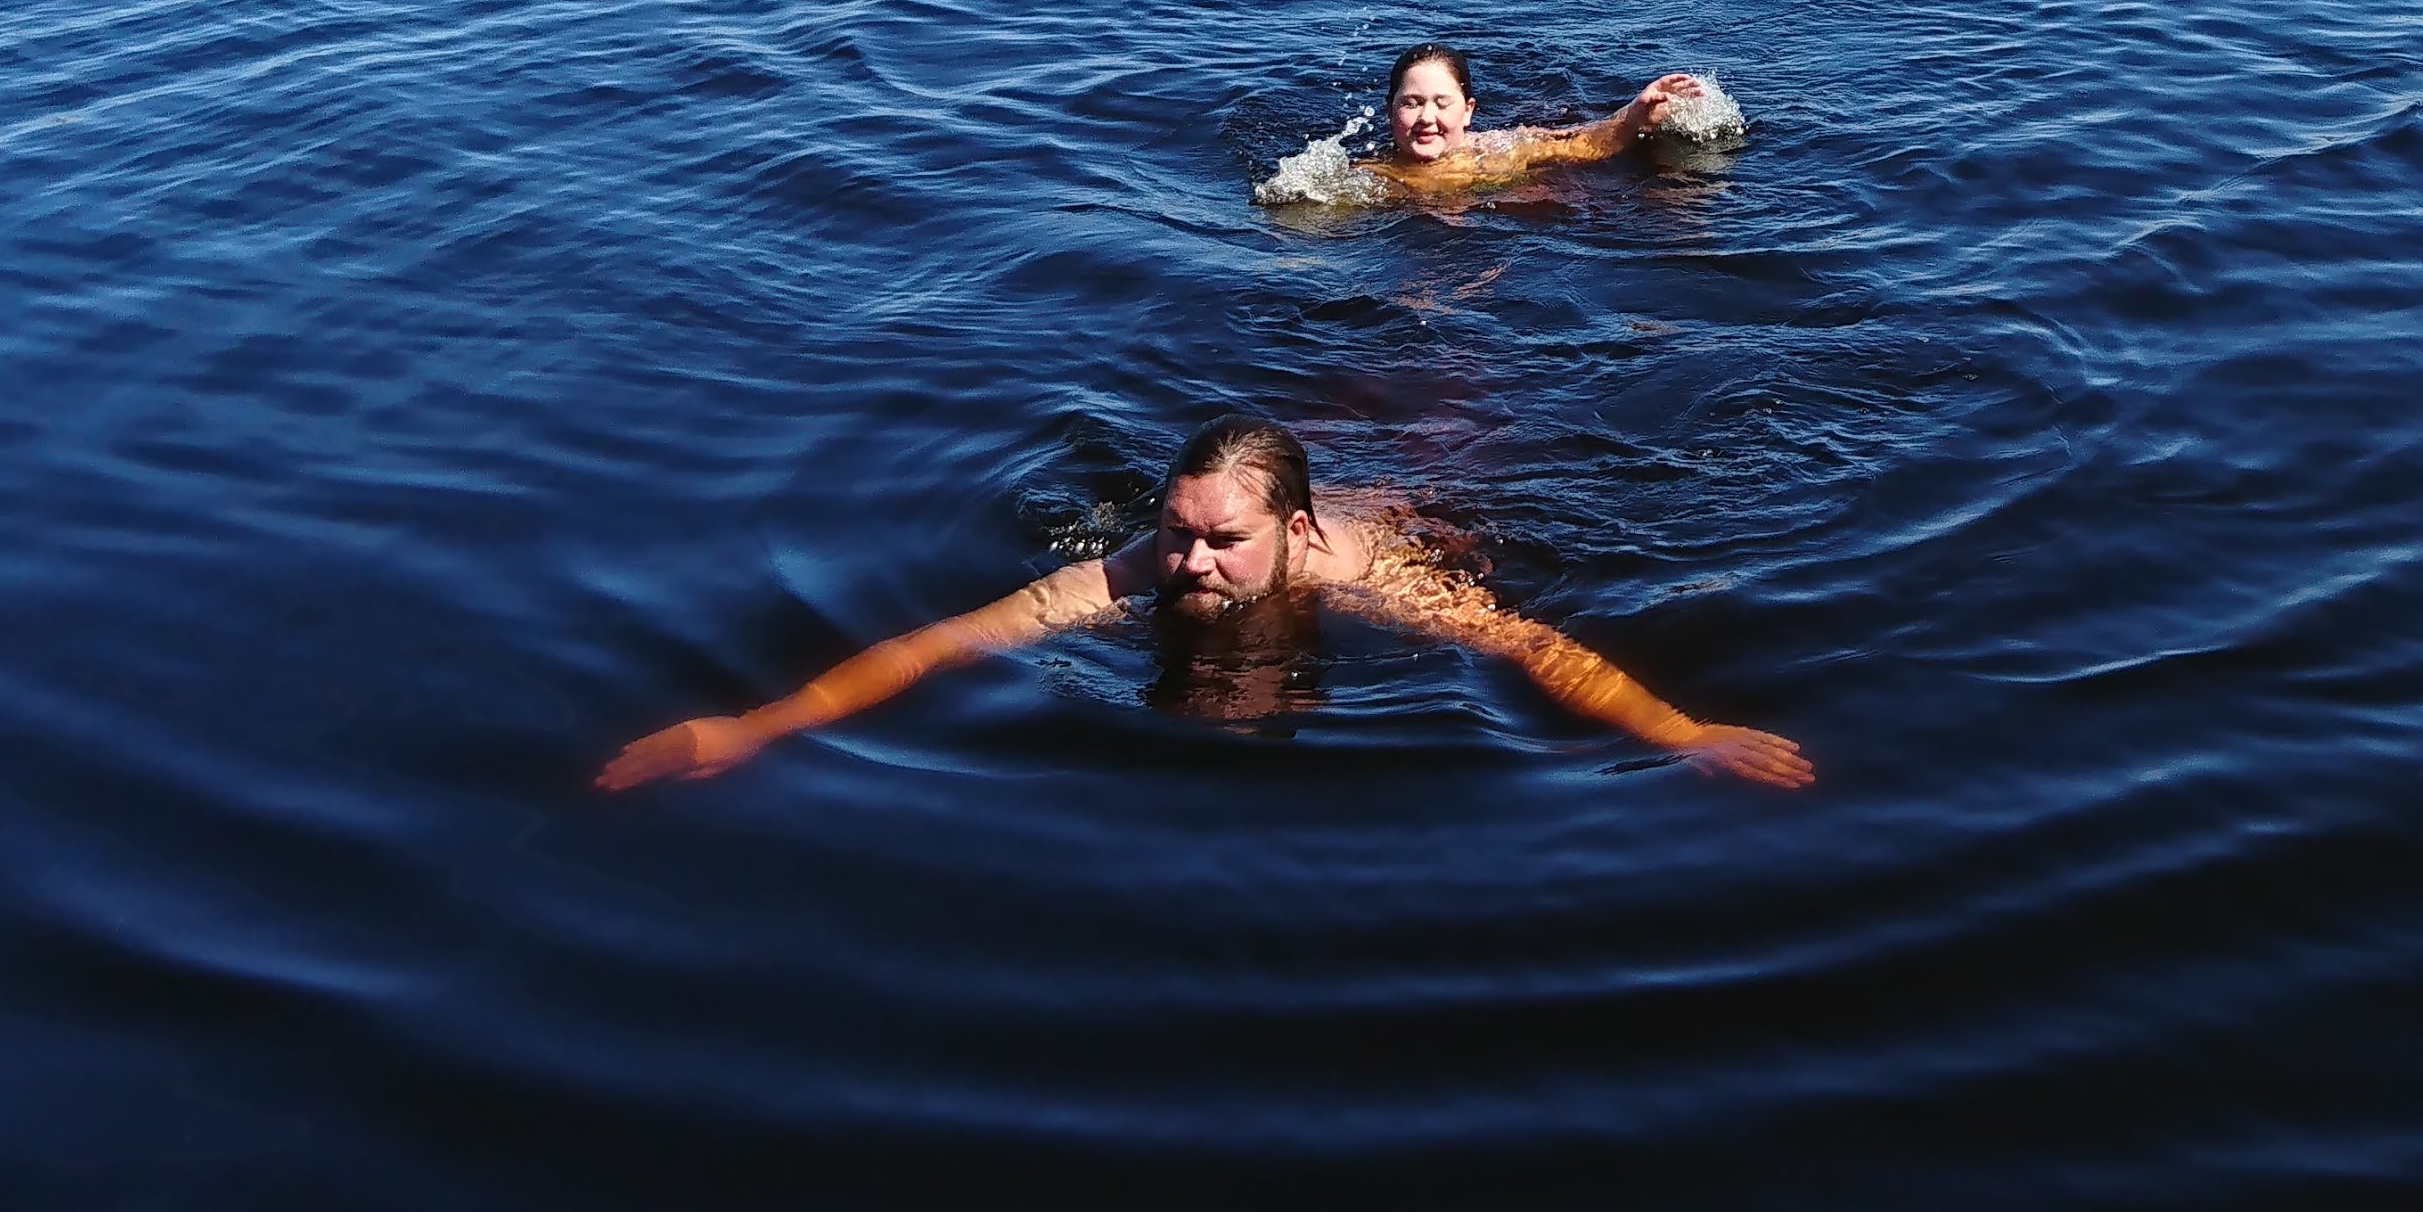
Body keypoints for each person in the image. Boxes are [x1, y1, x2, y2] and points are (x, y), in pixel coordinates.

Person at [596, 414, 1813, 789]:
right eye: (1174, 536)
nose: (1187, 568)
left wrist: (1678, 734)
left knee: (1459, 426)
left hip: (1422, 493)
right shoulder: (1130, 569)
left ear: (1289, 535)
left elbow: (1532, 646)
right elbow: (937, 644)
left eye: (1218, 546)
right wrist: (752, 728)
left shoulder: (1366, 572)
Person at [1370, 42, 1724, 189]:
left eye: (1442, 103)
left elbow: (1581, 142)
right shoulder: (1371, 176)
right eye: (1411, 103)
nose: (1426, 117)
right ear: (1390, 111)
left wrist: (1636, 116)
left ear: (1468, 112)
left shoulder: (1503, 150)